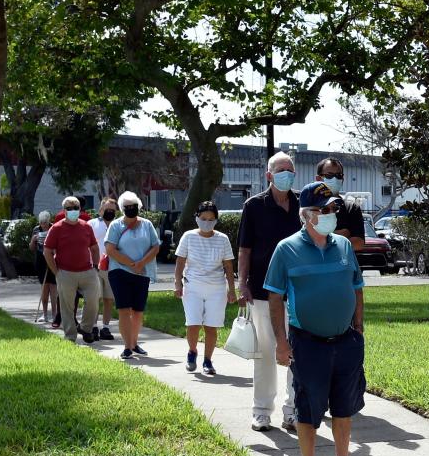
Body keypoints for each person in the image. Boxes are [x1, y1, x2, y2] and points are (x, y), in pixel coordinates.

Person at [265, 182, 369, 456]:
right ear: (308, 215)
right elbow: (274, 298)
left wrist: (359, 327)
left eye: (333, 209)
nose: (331, 215)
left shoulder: (343, 246)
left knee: (344, 407)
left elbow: (357, 285)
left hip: (345, 341)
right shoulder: (286, 249)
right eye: (325, 210)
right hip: (307, 342)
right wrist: (281, 343)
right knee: (307, 410)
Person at [238, 151, 302, 431]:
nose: (287, 174)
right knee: (266, 352)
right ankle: (262, 410)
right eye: (281, 170)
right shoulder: (254, 206)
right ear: (269, 175)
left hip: (299, 291)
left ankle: (293, 409)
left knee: (296, 352)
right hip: (263, 290)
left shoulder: (302, 205)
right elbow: (244, 249)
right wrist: (242, 282)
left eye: (290, 170)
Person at [175, 201, 237, 376]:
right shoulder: (188, 236)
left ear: (216, 220)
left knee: (211, 326)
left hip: (216, 288)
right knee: (193, 323)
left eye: (211, 219)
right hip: (192, 286)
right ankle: (192, 351)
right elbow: (180, 262)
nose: (207, 222)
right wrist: (177, 283)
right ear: (197, 218)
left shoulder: (222, 239)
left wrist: (232, 290)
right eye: (204, 219)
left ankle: (208, 360)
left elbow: (228, 266)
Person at [105, 191, 161, 360]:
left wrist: (141, 264)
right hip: (120, 272)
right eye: (127, 207)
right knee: (124, 309)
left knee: (138, 311)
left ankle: (135, 343)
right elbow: (110, 249)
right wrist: (131, 264)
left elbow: (155, 246)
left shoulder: (147, 224)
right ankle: (127, 347)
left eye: (134, 206)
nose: (131, 209)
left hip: (142, 273)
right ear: (122, 209)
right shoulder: (115, 226)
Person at [43, 196, 100, 344]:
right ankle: (70, 336)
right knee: (67, 306)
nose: (73, 210)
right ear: (64, 210)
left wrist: (95, 266)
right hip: (65, 272)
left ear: (80, 209)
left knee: (93, 301)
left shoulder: (86, 226)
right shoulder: (56, 228)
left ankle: (86, 329)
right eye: (69, 208)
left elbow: (94, 248)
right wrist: (56, 272)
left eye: (76, 207)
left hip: (88, 271)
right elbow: (47, 251)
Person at [314, 157, 365, 253]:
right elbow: (305, 239)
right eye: (329, 176)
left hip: (344, 266)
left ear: (343, 179)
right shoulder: (309, 207)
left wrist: (323, 236)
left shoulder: (352, 208)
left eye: (338, 175)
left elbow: (358, 243)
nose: (334, 179)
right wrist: (342, 235)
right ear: (318, 179)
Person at [87, 198, 118, 341]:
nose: (110, 212)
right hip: (95, 267)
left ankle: (105, 327)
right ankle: (93, 326)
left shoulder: (119, 225)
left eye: (113, 209)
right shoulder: (91, 224)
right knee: (95, 298)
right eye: (107, 209)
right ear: (100, 210)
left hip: (113, 267)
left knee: (109, 299)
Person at [29, 211, 57, 323]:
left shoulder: (54, 228)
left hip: (53, 259)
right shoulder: (36, 230)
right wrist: (33, 240)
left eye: (45, 222)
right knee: (44, 288)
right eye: (41, 222)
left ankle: (55, 314)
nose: (43, 225)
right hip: (40, 260)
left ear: (48, 220)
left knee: (53, 288)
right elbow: (31, 248)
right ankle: (44, 314)